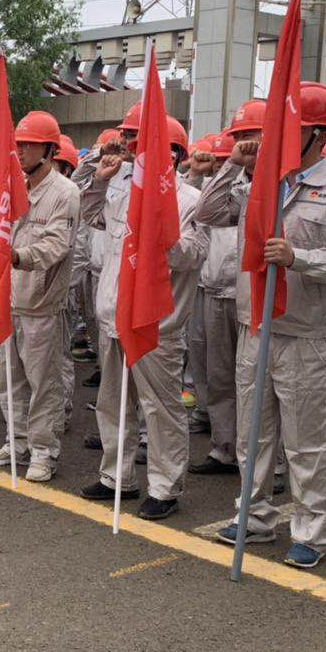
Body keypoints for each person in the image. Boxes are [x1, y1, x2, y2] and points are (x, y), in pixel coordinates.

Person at [195, 85, 326, 568]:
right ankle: (253, 516)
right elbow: (208, 212)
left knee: (307, 441)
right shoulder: (261, 184)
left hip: (305, 333)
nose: (276, 137)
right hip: (256, 325)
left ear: (318, 135)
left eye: (288, 129)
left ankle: (311, 531)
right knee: (255, 433)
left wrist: (298, 258)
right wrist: (235, 164)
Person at [79, 115, 208, 515]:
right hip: (114, 319)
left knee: (160, 409)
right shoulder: (123, 190)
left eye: (138, 140)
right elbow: (90, 213)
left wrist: (160, 233)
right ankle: (116, 477)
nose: (131, 148)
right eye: (131, 141)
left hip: (157, 326)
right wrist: (99, 177)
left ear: (172, 153)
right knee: (113, 404)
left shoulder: (190, 200)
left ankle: (164, 487)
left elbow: (193, 255)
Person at [0, 111, 82, 482]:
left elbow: (57, 245)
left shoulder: (65, 192)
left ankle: (43, 451)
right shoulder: (12, 185)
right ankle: (17, 441)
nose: (20, 151)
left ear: (49, 150)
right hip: (7, 300)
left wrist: (17, 256)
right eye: (18, 144)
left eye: (29, 144)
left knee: (44, 384)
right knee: (9, 380)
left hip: (42, 304)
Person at [186, 132, 241, 475]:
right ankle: (223, 447)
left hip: (245, 296)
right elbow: (188, 202)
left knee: (253, 382)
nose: (220, 167)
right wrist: (197, 172)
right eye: (218, 162)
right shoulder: (209, 192)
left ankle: (269, 462)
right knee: (218, 375)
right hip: (211, 291)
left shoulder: (253, 188)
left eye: (226, 160)